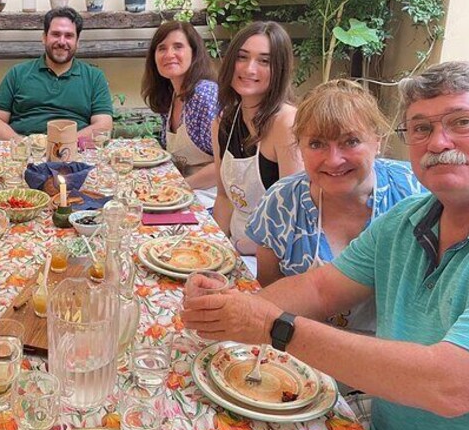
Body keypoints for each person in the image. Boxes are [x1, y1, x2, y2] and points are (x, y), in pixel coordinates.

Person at [182, 61, 469, 430]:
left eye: (462, 122)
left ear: (379, 141)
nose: (439, 142)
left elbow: (451, 385)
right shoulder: (408, 221)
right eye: (422, 127)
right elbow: (319, 287)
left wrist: (274, 328)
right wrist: (232, 304)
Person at [246, 79, 424, 334]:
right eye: (317, 144)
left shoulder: (414, 194)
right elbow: (269, 284)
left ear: (377, 141)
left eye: (350, 141)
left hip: (393, 354)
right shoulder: (281, 203)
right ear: (300, 148)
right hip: (303, 347)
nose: (334, 160)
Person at [211, 21, 302, 256]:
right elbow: (223, 198)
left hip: (275, 257)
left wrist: (241, 248)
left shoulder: (286, 123)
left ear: (279, 69)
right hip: (233, 248)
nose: (249, 69)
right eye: (242, 57)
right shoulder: (223, 121)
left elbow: (293, 218)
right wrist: (214, 250)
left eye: (264, 61)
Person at [0, 7, 114, 139]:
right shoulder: (18, 73)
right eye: (56, 34)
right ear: (44, 37)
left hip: (76, 150)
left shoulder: (94, 77)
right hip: (24, 151)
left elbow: (104, 125)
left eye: (69, 36)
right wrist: (22, 144)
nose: (62, 42)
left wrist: (62, 144)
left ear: (78, 42)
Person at [141, 20, 218, 193]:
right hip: (182, 188)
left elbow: (227, 164)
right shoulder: (171, 94)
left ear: (194, 53)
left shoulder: (203, 94)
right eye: (162, 48)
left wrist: (178, 186)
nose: (169, 54)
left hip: (210, 195)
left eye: (178, 47)